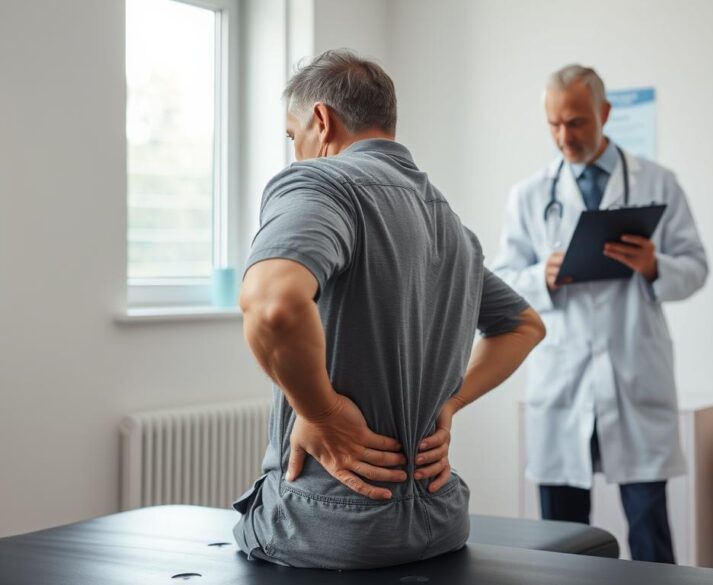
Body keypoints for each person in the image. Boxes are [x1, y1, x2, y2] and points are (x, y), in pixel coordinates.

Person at [232, 50, 545, 570]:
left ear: (321, 121)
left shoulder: (320, 183)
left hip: (327, 525)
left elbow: (272, 305)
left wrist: (322, 413)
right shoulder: (450, 227)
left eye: (294, 138)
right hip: (440, 521)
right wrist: (451, 403)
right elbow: (523, 326)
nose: (298, 153)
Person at [492, 64, 708, 564]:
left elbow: (696, 268)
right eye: (554, 124)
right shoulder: (529, 195)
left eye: (577, 122)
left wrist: (655, 265)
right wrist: (540, 276)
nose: (564, 137)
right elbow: (500, 278)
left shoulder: (658, 183)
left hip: (634, 379)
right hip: (563, 385)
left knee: (650, 533)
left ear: (604, 114)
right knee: (562, 545)